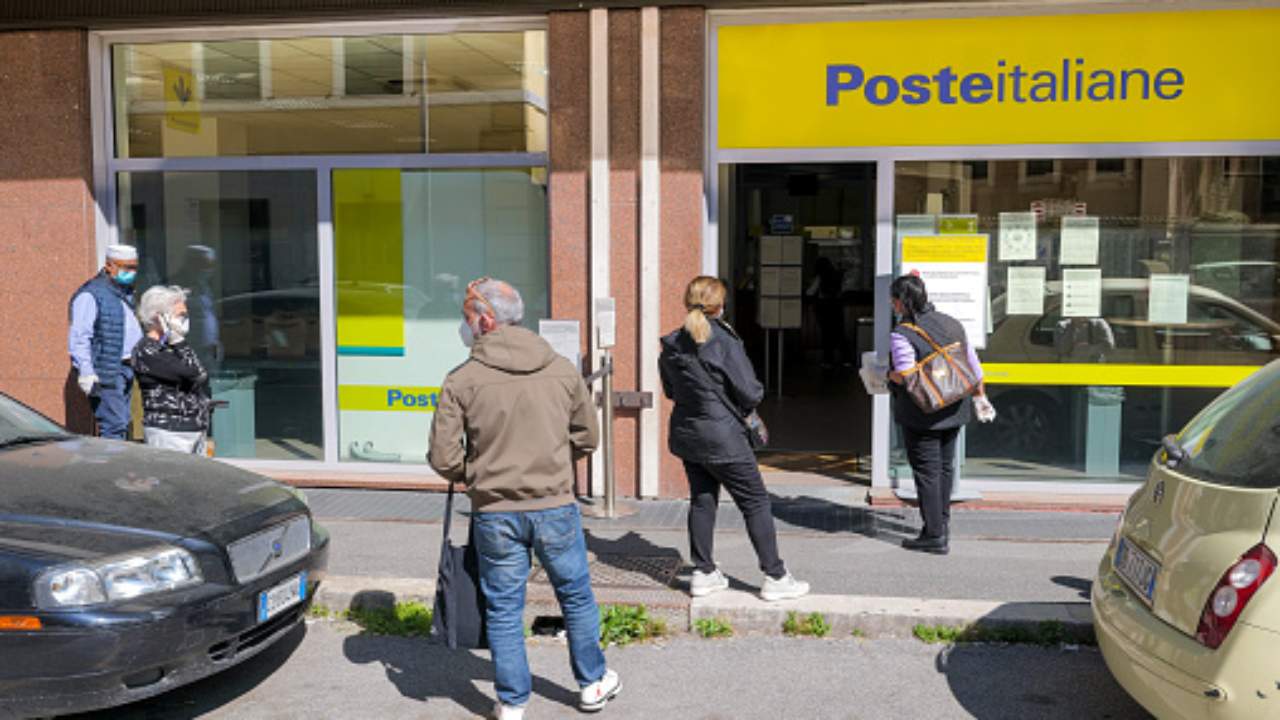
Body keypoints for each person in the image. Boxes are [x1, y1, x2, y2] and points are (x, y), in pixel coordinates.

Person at [428, 278, 619, 720]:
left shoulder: (462, 379)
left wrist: (478, 476)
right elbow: (587, 437)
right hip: (555, 504)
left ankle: (512, 703)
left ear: (485, 320)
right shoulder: (560, 368)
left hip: (495, 512)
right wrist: (552, 466)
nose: (464, 326)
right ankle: (592, 684)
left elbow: (443, 456)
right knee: (575, 595)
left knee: (503, 607)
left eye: (466, 317)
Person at [659, 276, 810, 602]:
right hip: (724, 437)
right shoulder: (724, 341)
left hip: (689, 435)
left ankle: (704, 572)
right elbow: (750, 392)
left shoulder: (672, 344)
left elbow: (670, 390)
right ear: (719, 305)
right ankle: (775, 576)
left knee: (702, 500)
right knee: (755, 502)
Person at [887, 274, 988, 555]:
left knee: (927, 472)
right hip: (955, 407)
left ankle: (934, 535)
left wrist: (887, 374)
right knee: (944, 468)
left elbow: (906, 375)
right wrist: (980, 396)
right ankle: (941, 524)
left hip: (923, 413)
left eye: (893, 300)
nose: (893, 305)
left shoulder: (902, 333)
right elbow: (974, 367)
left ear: (901, 302)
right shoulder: (952, 323)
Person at [68, 244, 144, 440]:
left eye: (134, 267)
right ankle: (111, 459)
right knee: (114, 425)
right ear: (109, 265)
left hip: (127, 366)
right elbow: (80, 337)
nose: (131, 272)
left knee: (123, 422)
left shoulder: (124, 292)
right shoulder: (91, 294)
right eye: (126, 267)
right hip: (107, 370)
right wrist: (86, 371)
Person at [132, 286, 211, 454]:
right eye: (180, 315)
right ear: (159, 317)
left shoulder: (173, 346)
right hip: (169, 432)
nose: (184, 319)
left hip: (194, 429)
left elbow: (202, 374)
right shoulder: (147, 350)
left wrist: (177, 342)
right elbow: (194, 374)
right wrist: (179, 342)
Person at [807, 257, 852, 368]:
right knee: (840, 333)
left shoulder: (820, 276)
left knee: (826, 335)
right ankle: (846, 359)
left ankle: (828, 361)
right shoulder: (838, 275)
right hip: (837, 307)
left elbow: (810, 292)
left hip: (824, 308)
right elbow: (844, 289)